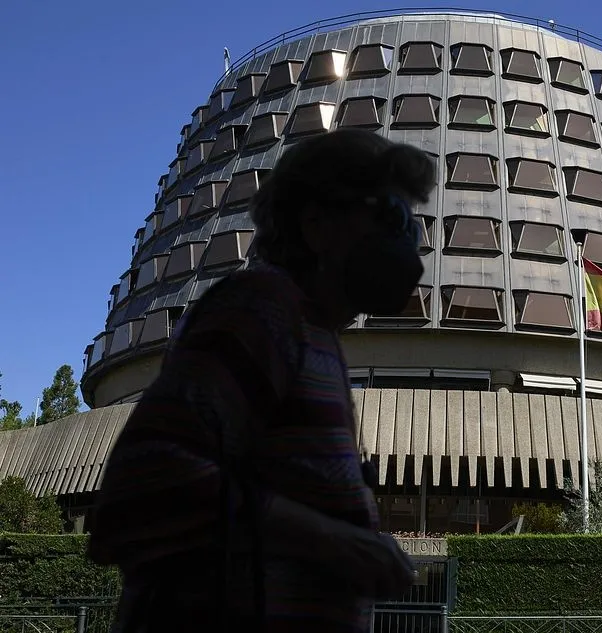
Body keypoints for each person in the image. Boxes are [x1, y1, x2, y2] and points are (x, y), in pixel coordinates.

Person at [87, 129, 437, 633]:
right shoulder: (262, 310)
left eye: (414, 229)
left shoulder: (314, 335)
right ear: (317, 223)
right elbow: (143, 484)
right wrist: (333, 541)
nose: (407, 246)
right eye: (393, 219)